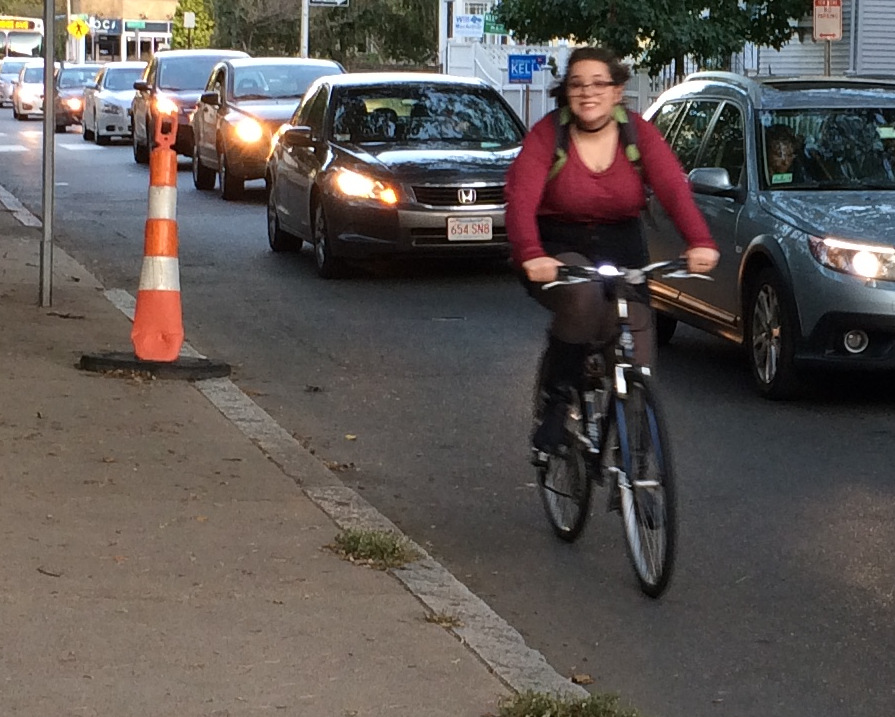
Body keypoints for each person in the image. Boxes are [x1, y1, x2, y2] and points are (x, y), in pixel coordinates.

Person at [504, 46, 720, 459]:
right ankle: (558, 402)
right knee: (584, 299)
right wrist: (531, 252)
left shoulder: (638, 135)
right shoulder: (549, 134)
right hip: (556, 243)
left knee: (638, 346)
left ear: (618, 90)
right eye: (577, 84)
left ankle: (638, 463)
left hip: (622, 241)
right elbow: (521, 199)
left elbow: (674, 189)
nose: (588, 93)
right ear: (566, 92)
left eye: (599, 84)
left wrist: (701, 241)